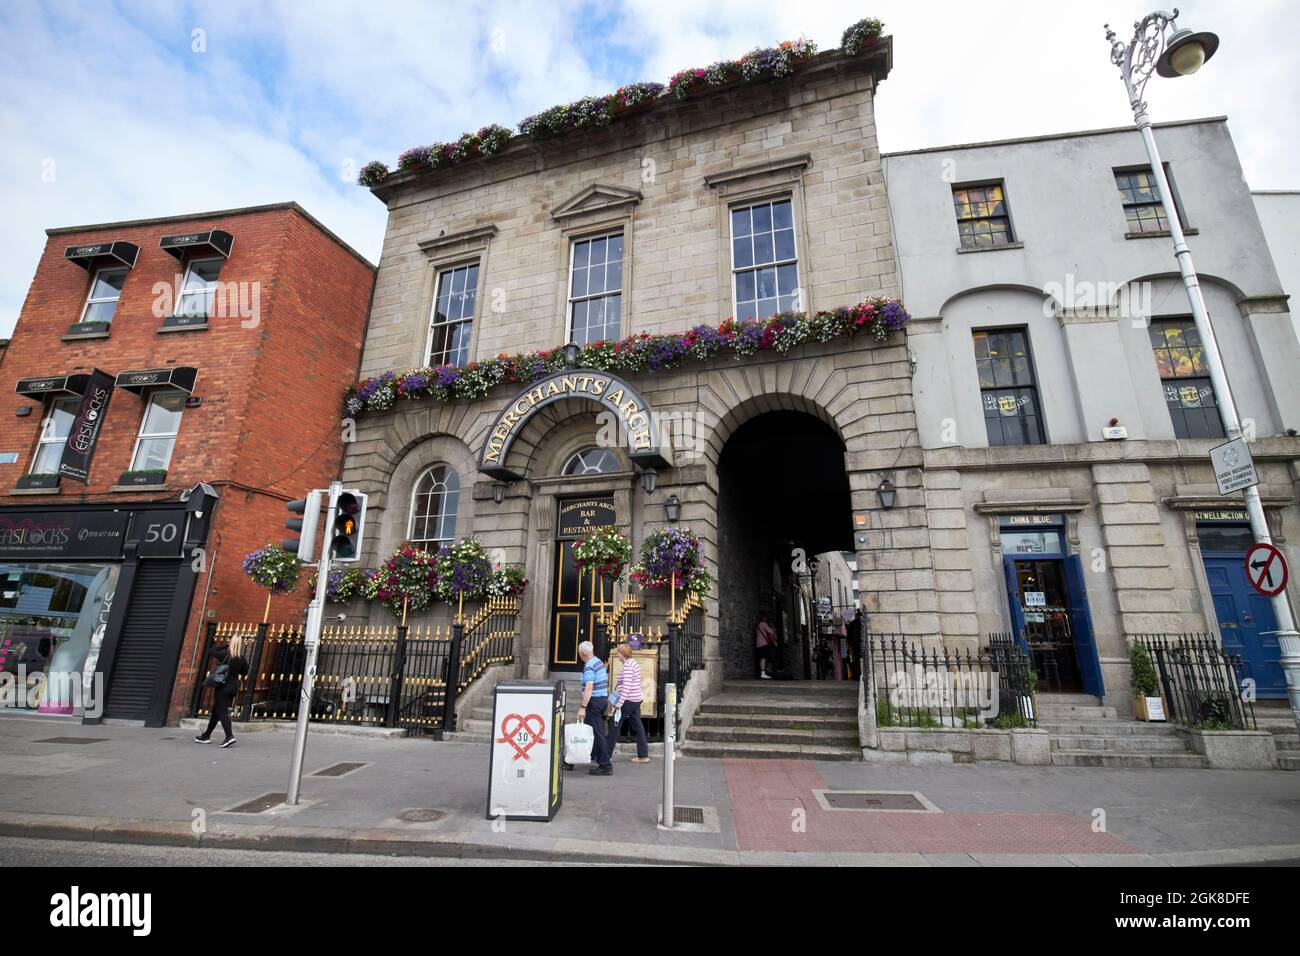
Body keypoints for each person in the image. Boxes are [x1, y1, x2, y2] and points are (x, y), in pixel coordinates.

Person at [194, 636, 249, 748]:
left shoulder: (224, 655)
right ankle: (206, 736)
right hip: (233, 687)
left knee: (222, 712)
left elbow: (210, 650)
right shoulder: (242, 659)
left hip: (223, 686)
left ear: (231, 643)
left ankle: (229, 736)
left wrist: (225, 645)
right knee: (216, 711)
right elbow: (244, 673)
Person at [571, 640, 612, 775]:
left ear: (582, 654)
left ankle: (605, 765)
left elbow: (589, 688)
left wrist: (582, 707)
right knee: (589, 732)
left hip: (593, 702)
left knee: (598, 733)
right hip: (600, 700)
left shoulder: (589, 666)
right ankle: (573, 760)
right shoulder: (598, 662)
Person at [609, 644, 650, 764]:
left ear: (623, 654)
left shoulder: (627, 666)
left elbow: (626, 687)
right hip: (636, 699)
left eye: (618, 653)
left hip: (629, 700)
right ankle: (643, 755)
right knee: (637, 726)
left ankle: (606, 756)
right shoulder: (633, 663)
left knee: (614, 725)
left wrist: (619, 704)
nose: (617, 655)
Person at [755, 611, 777, 679]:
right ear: (763, 617)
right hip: (764, 643)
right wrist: (773, 629)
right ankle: (763, 673)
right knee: (764, 658)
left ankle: (762, 672)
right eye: (765, 617)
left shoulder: (757, 625)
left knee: (761, 658)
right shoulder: (763, 624)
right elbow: (771, 632)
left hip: (758, 644)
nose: (765, 618)